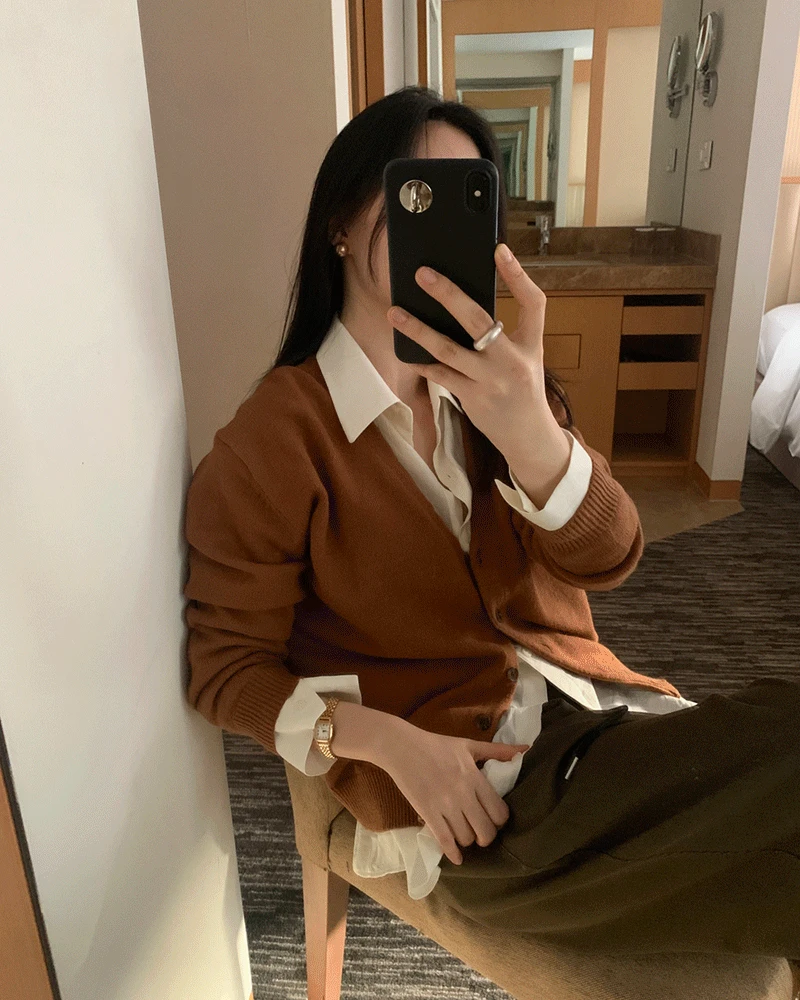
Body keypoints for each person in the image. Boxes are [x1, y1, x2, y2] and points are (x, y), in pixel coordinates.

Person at [182, 85, 800, 961]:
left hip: (590, 720)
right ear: (341, 223)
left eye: (466, 201)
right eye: (415, 193)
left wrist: (535, 436)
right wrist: (390, 745)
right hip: (482, 808)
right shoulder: (273, 445)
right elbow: (223, 670)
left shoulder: (502, 387)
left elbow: (613, 555)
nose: (440, 225)